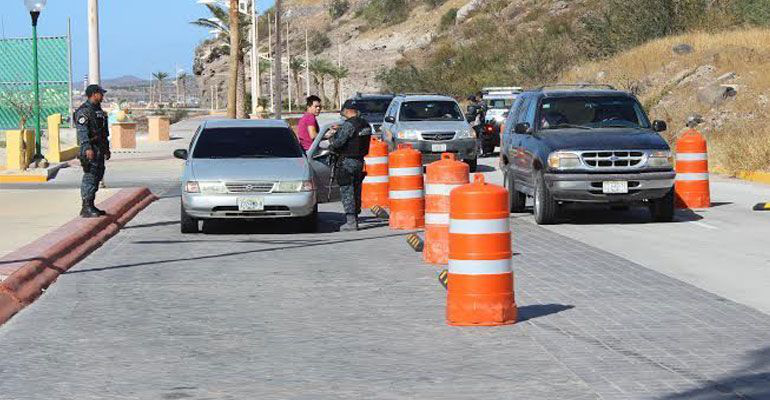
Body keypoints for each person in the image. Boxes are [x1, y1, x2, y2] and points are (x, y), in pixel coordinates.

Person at [329, 103, 372, 231]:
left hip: (347, 161)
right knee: (356, 189)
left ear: (347, 110)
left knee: (347, 190)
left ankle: (351, 222)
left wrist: (333, 136)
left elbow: (338, 143)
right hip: (360, 161)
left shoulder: (349, 125)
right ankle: (355, 218)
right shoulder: (365, 124)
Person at [75, 84, 111, 218]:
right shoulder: (84, 111)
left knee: (98, 175)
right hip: (90, 148)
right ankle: (86, 207)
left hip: (99, 147)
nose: (103, 96)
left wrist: (106, 148)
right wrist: (87, 148)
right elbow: (82, 131)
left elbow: (104, 132)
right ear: (94, 94)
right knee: (90, 176)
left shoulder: (99, 111)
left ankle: (91, 204)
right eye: (101, 93)